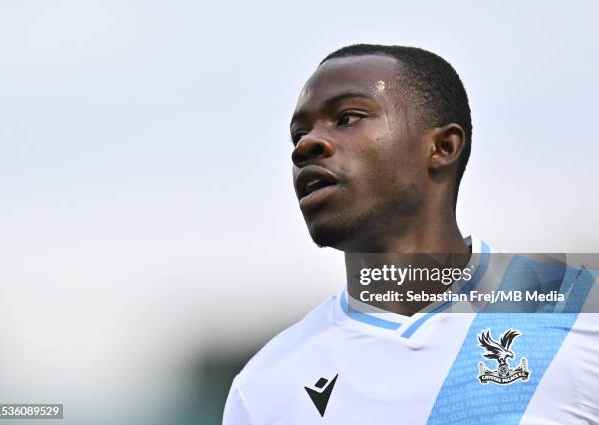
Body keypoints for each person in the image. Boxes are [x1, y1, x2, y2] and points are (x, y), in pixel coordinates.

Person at [222, 44, 599, 424]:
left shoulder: (581, 317)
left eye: (347, 117)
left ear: (443, 147)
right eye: (299, 133)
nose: (305, 146)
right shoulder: (265, 387)